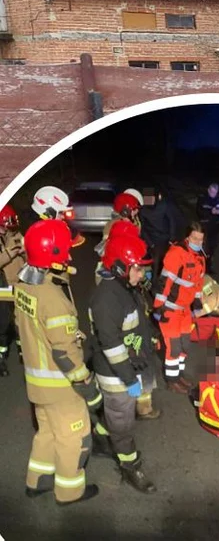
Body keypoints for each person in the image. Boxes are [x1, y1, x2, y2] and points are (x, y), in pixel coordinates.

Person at [14, 219, 102, 505]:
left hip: (36, 384)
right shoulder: (53, 299)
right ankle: (69, 491)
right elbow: (64, 352)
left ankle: (37, 481)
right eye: (66, 251)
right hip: (61, 387)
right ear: (52, 255)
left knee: (48, 433)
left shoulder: (25, 286)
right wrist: (85, 383)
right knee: (74, 439)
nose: (70, 257)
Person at [87, 232, 158, 493]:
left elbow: (131, 330)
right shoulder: (107, 299)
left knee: (119, 422)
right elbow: (113, 346)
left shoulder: (123, 288)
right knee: (123, 426)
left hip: (128, 368)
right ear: (119, 267)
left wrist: (147, 342)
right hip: (117, 376)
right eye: (138, 269)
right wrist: (129, 380)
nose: (142, 275)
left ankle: (103, 437)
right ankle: (130, 467)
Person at [153, 223, 208, 391]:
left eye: (201, 239)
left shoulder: (199, 258)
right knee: (174, 347)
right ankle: (172, 381)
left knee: (185, 345)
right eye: (194, 238)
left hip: (185, 310)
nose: (198, 242)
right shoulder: (177, 254)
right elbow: (165, 282)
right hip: (170, 308)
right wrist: (158, 306)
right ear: (187, 237)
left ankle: (179, 375)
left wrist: (197, 300)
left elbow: (197, 282)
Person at [0, 203, 26, 376]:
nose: (6, 230)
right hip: (3, 286)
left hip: (20, 283)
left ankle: (25, 354)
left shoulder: (17, 235)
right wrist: (9, 253)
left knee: (21, 321)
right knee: (2, 323)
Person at [196, 183, 219, 272]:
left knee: (212, 248)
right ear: (209, 190)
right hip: (205, 227)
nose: (213, 194)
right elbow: (199, 212)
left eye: (215, 192)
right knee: (203, 247)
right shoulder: (202, 198)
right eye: (212, 192)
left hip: (215, 228)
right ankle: (199, 266)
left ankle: (208, 267)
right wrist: (210, 212)